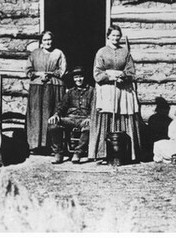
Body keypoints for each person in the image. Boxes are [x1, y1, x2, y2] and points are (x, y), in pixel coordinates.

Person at [88, 25, 145, 163]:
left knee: (123, 116)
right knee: (106, 117)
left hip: (123, 88)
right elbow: (97, 73)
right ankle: (103, 154)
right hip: (106, 88)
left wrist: (123, 76)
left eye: (118, 36)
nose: (115, 38)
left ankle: (126, 153)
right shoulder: (101, 52)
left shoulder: (125, 52)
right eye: (113, 35)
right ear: (108, 36)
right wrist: (110, 77)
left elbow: (131, 70)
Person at [24, 30, 67, 153]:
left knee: (51, 113)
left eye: (49, 39)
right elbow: (28, 70)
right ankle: (36, 146)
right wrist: (38, 74)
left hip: (54, 87)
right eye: (45, 40)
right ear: (41, 42)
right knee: (36, 115)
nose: (48, 42)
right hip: (37, 88)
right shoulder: (34, 54)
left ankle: (53, 146)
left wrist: (50, 74)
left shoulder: (58, 53)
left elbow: (62, 70)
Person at [47, 66, 94, 164]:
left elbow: (94, 107)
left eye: (81, 77)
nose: (78, 79)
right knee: (53, 125)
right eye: (76, 77)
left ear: (85, 77)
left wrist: (90, 117)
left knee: (89, 128)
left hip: (84, 119)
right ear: (73, 79)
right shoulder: (70, 92)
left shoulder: (92, 91)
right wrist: (56, 115)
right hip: (70, 118)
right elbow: (62, 106)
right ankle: (58, 153)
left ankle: (78, 152)